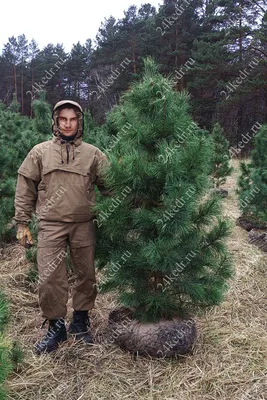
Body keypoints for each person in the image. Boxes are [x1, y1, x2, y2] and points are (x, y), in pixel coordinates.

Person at [14, 100, 110, 354]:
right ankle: (56, 328)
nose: (68, 124)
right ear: (55, 122)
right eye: (63, 119)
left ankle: (80, 322)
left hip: (84, 225)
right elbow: (25, 188)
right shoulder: (40, 152)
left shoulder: (93, 153)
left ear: (80, 122)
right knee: (50, 279)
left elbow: (112, 186)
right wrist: (22, 223)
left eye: (73, 119)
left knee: (86, 275)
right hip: (51, 225)